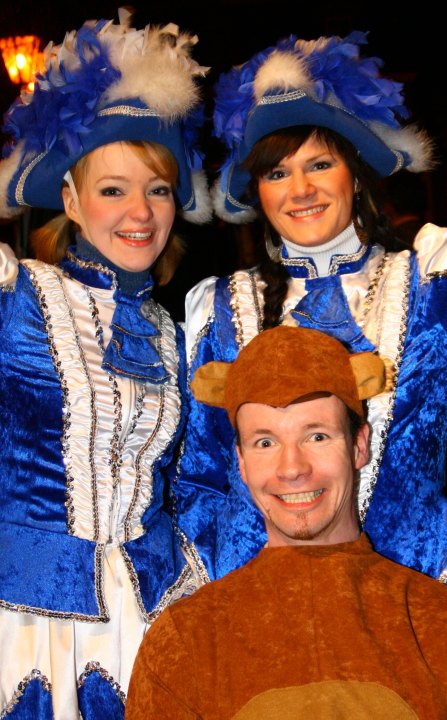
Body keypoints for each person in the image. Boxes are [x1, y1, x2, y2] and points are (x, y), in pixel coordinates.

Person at [173, 30, 447, 592]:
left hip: (412, 594)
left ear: (354, 176)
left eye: (319, 164)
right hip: (262, 597)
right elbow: (202, 474)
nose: (300, 190)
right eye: (277, 173)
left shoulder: (439, 282)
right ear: (259, 192)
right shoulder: (218, 307)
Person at [0, 9, 211, 719]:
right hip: (25, 622)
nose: (140, 212)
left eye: (157, 189)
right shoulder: (16, 296)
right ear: (70, 200)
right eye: (113, 189)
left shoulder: (172, 331)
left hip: (151, 615)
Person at [126, 325, 447, 719]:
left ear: (359, 445)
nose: (292, 468)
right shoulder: (183, 641)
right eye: (265, 442)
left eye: (316, 436)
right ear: (241, 463)